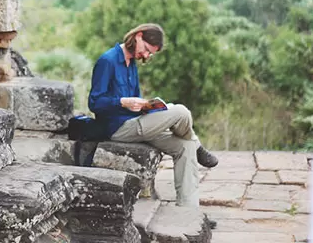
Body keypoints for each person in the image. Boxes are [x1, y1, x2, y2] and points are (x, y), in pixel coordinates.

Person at [87, 23, 218, 209]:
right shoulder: (107, 61)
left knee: (185, 146)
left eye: (150, 54)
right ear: (138, 36)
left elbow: (136, 101)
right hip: (118, 129)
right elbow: (94, 102)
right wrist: (122, 102)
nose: (146, 56)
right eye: (147, 50)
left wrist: (146, 106)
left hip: (138, 123)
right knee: (181, 112)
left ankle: (189, 210)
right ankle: (198, 144)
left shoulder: (131, 63)